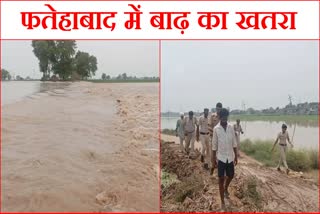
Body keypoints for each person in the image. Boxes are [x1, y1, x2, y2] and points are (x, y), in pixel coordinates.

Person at [212, 108, 238, 210]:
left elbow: (234, 142)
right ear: (219, 117)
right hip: (221, 158)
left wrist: (236, 155)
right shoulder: (216, 129)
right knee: (220, 179)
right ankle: (222, 201)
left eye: (226, 117)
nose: (224, 119)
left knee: (231, 175)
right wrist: (213, 159)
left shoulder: (231, 127)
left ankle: (226, 188)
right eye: (222, 117)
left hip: (230, 157)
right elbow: (214, 145)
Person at [208, 102, 223, 175]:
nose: (218, 110)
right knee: (212, 154)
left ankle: (219, 170)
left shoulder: (223, 117)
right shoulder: (212, 116)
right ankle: (212, 168)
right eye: (217, 109)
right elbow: (209, 127)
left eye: (220, 109)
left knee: (220, 154)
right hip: (213, 137)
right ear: (216, 108)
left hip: (221, 139)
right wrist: (213, 134)